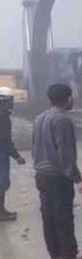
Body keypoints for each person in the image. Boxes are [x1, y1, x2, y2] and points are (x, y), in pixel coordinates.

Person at [32, 84, 82, 259]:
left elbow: (35, 148)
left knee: (48, 218)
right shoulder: (62, 120)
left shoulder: (39, 118)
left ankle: (56, 255)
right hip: (57, 178)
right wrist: (78, 179)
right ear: (68, 99)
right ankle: (68, 256)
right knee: (63, 219)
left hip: (41, 176)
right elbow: (65, 153)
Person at [0, 86, 25, 221]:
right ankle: (1, 212)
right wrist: (17, 156)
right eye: (10, 101)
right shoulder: (3, 116)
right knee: (1, 184)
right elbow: (4, 140)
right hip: (1, 153)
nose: (12, 104)